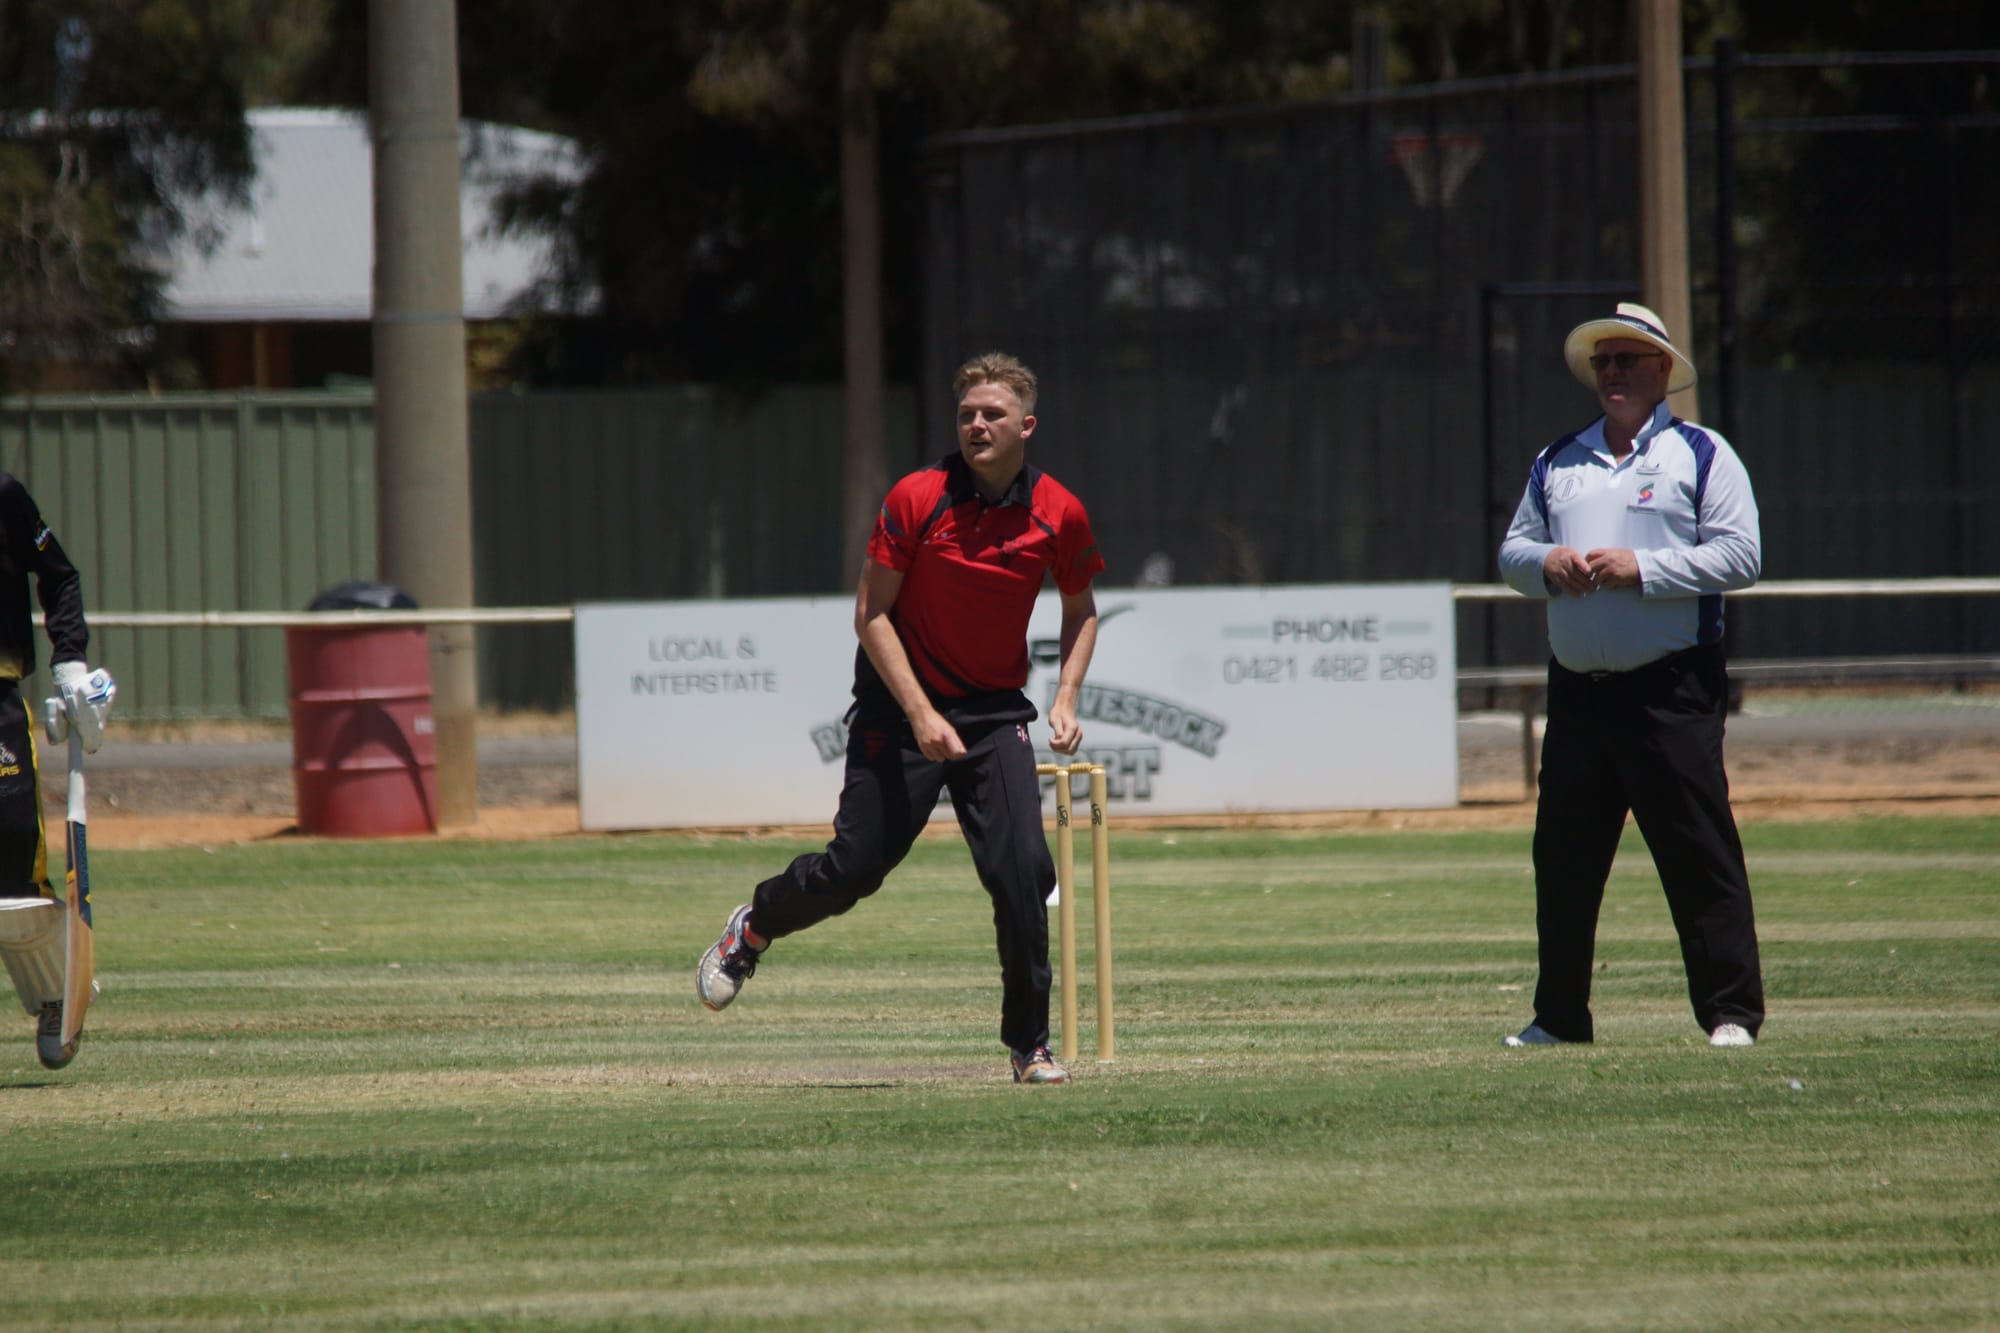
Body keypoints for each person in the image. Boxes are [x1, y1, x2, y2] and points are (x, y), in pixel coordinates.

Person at [696, 351, 1104, 1084]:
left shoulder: (1060, 512)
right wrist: (919, 713)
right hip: (899, 706)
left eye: (993, 414)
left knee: (1021, 875)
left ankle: (1029, 1044)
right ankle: (752, 926)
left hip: (991, 713)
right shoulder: (919, 497)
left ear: (1027, 426)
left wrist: (1067, 695)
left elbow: (1081, 610)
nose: (977, 424)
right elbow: (871, 614)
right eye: (967, 414)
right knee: (854, 870)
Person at [1496, 302, 1766, 1049]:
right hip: (1579, 691)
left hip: (1670, 688)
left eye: (1627, 359)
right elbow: (1513, 553)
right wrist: (1545, 563)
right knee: (1565, 857)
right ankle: (1558, 1017)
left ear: (1662, 371)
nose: (1612, 371)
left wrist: (1641, 568)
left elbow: (1742, 557)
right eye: (1603, 361)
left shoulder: (1702, 455)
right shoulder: (1560, 460)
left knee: (1697, 850)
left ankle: (1731, 1013)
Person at [0, 470, 104, 1069]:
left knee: (15, 863)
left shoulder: (4, 497)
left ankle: (51, 994)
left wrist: (71, 662)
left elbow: (59, 577)